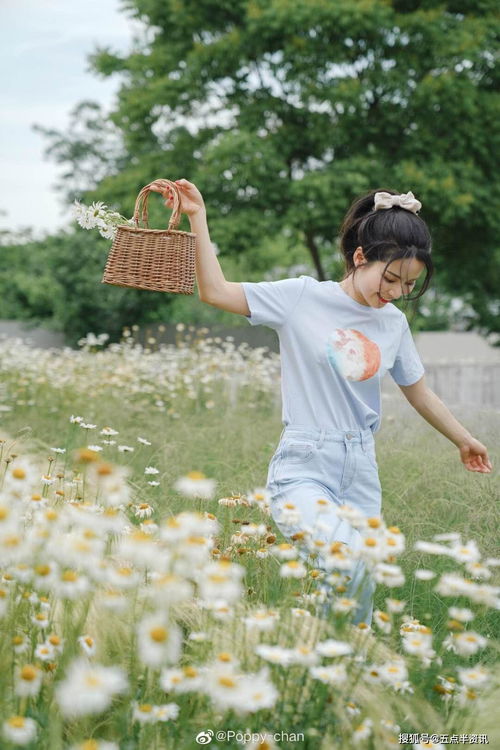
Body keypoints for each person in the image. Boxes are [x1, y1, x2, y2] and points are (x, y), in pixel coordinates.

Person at [150, 179, 493, 624]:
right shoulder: (300, 298)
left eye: (408, 284)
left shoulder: (393, 325)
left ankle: (338, 673)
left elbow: (419, 391)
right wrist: (198, 217)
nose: (395, 292)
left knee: (360, 587)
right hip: (305, 465)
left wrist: (464, 440)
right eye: (390, 278)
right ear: (359, 257)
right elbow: (215, 290)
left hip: (361, 470)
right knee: (347, 563)